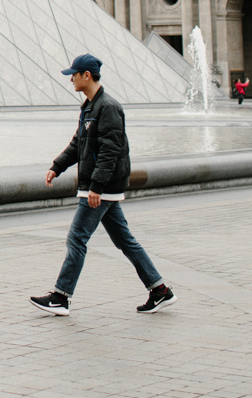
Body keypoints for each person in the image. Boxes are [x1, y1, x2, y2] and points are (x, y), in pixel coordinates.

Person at [30, 54, 175, 316]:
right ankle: (159, 290)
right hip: (99, 185)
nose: (71, 79)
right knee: (124, 241)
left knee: (77, 237)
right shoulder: (89, 106)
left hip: (100, 187)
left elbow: (110, 151)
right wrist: (56, 166)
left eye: (74, 74)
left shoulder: (108, 107)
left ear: (87, 75)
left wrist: (96, 187)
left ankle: (61, 296)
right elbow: (78, 144)